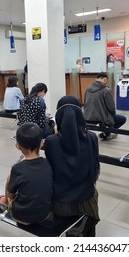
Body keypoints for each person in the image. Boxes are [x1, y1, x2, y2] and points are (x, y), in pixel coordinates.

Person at [44, 96, 100, 236]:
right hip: (87, 201)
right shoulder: (92, 137)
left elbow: (52, 170)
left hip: (61, 203)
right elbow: (94, 167)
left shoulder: (51, 141)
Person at [0, 122, 53, 225]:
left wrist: (9, 198)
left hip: (22, 216)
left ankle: (5, 202)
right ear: (41, 143)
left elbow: (11, 195)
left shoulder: (17, 168)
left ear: (17, 146)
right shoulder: (48, 164)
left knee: (11, 179)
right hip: (45, 214)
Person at [83, 72, 126, 140]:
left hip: (87, 116)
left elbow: (84, 102)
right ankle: (106, 134)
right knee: (122, 119)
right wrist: (112, 114)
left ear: (96, 79)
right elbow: (111, 107)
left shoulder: (88, 88)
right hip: (101, 118)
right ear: (105, 79)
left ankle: (106, 132)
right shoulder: (106, 90)